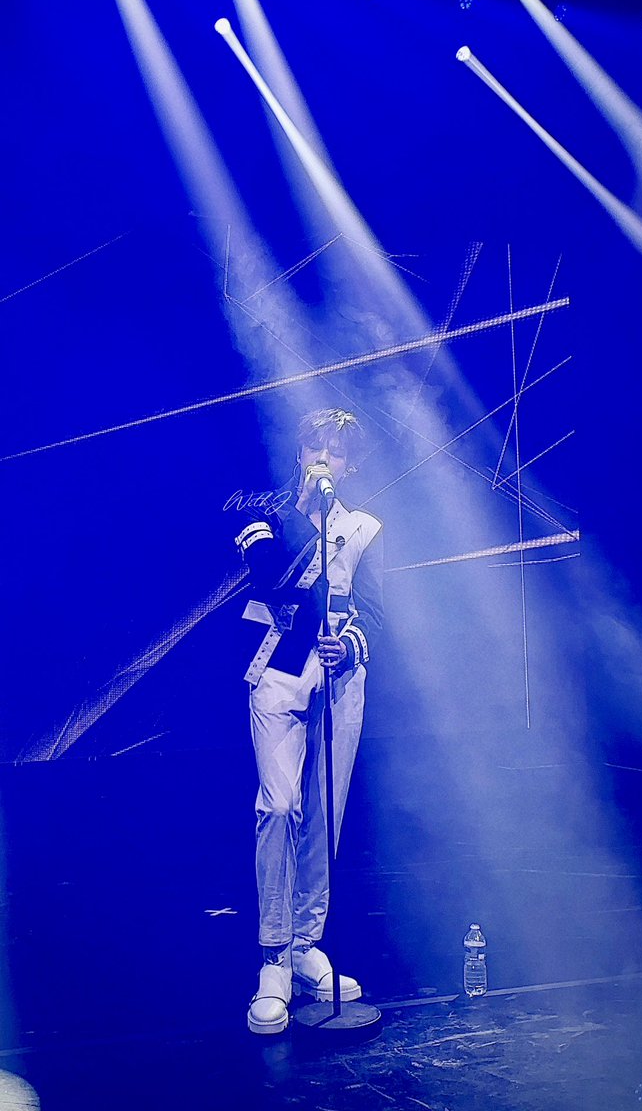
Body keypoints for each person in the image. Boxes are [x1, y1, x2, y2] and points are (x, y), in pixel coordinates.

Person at [233, 408, 384, 1034]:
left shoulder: (364, 528)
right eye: (316, 447)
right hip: (278, 671)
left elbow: (375, 611)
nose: (325, 457)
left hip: (339, 677)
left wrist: (347, 644)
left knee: (325, 814)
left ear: (351, 465)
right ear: (299, 453)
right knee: (280, 805)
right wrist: (312, 514)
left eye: (337, 451)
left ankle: (304, 944)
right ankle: (273, 956)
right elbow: (271, 578)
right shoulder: (262, 512)